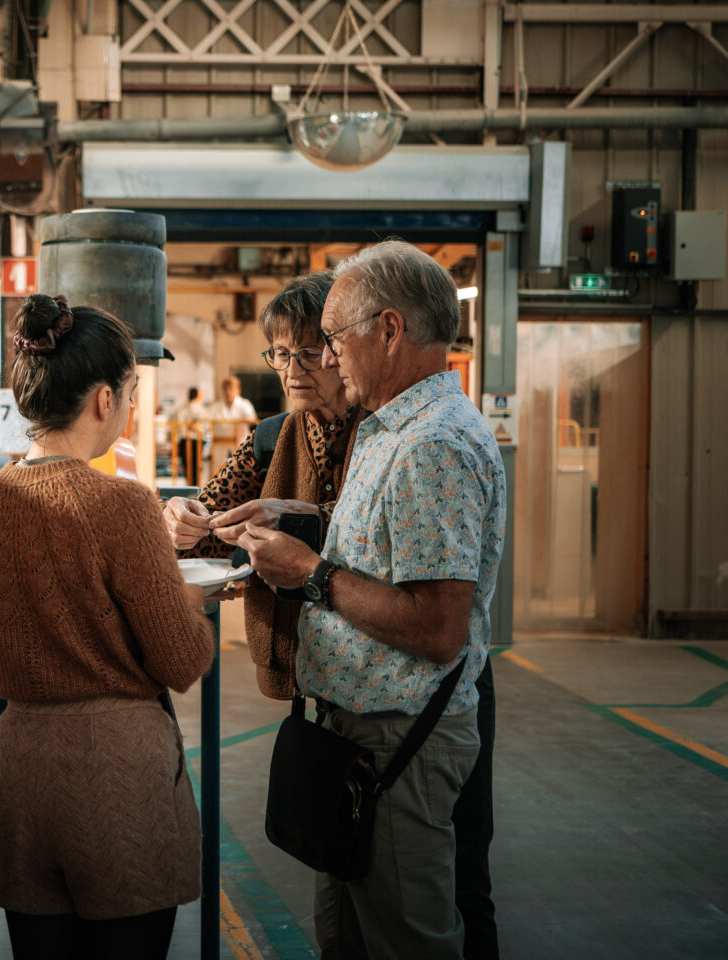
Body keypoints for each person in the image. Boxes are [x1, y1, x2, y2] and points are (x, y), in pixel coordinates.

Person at [239, 241, 506, 960]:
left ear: (388, 330)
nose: (326, 357)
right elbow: (388, 548)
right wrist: (296, 517)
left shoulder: (430, 446)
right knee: (350, 937)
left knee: (404, 941)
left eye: (333, 338)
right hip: (363, 733)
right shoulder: (394, 429)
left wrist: (310, 574)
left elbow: (437, 626)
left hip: (400, 737)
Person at [0, 293, 214, 960]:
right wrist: (191, 603)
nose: (126, 408)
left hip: (21, 762)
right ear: (104, 399)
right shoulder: (124, 504)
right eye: (128, 393)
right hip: (114, 771)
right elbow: (182, 660)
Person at [163, 271, 364, 698]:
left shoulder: (381, 434)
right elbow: (209, 525)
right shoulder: (271, 437)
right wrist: (184, 519)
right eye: (280, 353)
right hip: (295, 653)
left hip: (371, 659)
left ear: (341, 352)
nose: (291, 370)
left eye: (309, 353)